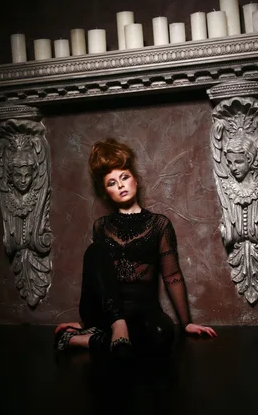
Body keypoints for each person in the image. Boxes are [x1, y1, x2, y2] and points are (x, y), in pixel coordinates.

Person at [54, 138, 216, 358]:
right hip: (111, 312)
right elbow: (97, 279)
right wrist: (85, 321)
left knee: (161, 335)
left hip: (145, 312)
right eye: (112, 183)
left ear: (136, 181)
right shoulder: (101, 226)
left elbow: (172, 275)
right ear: (105, 193)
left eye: (124, 177)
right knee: (95, 252)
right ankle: (115, 327)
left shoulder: (160, 224)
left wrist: (186, 323)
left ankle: (86, 340)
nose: (120, 185)